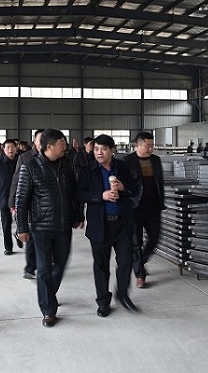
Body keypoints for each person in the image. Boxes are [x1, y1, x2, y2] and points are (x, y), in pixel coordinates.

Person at [14, 128, 83, 327]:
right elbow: (21, 200)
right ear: (49, 146)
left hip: (64, 226)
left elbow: (74, 193)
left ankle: (48, 294)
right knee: (44, 268)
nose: (65, 145)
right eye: (62, 142)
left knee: (60, 265)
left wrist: (78, 215)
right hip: (41, 227)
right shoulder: (30, 167)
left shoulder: (66, 165)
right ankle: (48, 310)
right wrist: (21, 227)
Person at [79, 134, 140, 317]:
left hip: (122, 223)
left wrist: (123, 188)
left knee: (126, 261)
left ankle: (122, 293)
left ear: (112, 150)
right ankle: (103, 302)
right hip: (100, 224)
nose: (99, 152)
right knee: (101, 265)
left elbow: (135, 189)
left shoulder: (123, 167)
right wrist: (101, 196)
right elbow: (80, 194)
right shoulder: (87, 170)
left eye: (104, 149)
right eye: (96, 149)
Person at [124, 131, 164, 289]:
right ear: (137, 145)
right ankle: (140, 274)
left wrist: (161, 202)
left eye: (152, 145)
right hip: (135, 208)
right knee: (136, 242)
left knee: (154, 238)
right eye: (147, 146)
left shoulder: (156, 160)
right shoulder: (127, 161)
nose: (150, 149)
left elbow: (159, 182)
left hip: (153, 207)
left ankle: (140, 261)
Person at [9, 129, 44, 279]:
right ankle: (30, 268)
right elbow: (16, 181)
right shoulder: (25, 157)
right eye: (40, 139)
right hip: (29, 202)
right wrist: (12, 203)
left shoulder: (54, 157)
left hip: (47, 204)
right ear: (34, 141)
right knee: (31, 237)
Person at [0, 139, 19, 255]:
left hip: (20, 198)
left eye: (12, 147)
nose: (10, 150)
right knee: (6, 225)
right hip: (5, 199)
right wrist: (1, 190)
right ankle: (8, 247)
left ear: (16, 148)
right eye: (7, 147)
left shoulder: (21, 162)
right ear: (3, 149)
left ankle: (19, 234)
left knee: (22, 222)